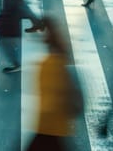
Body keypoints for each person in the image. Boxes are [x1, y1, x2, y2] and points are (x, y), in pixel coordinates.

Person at [26, 17, 83, 151]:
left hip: (48, 127)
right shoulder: (61, 60)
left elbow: (50, 102)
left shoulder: (49, 64)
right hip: (57, 127)